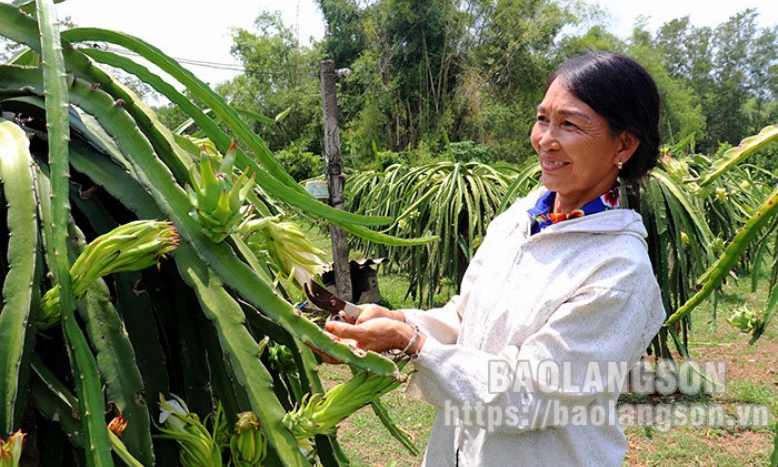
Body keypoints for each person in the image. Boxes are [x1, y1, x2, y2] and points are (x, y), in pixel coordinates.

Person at [326, 51, 667, 466]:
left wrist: (411, 345)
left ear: (624, 144)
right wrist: (401, 322)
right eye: (543, 119)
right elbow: (464, 319)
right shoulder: (520, 220)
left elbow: (527, 395)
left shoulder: (618, 272)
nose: (546, 139)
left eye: (570, 124)